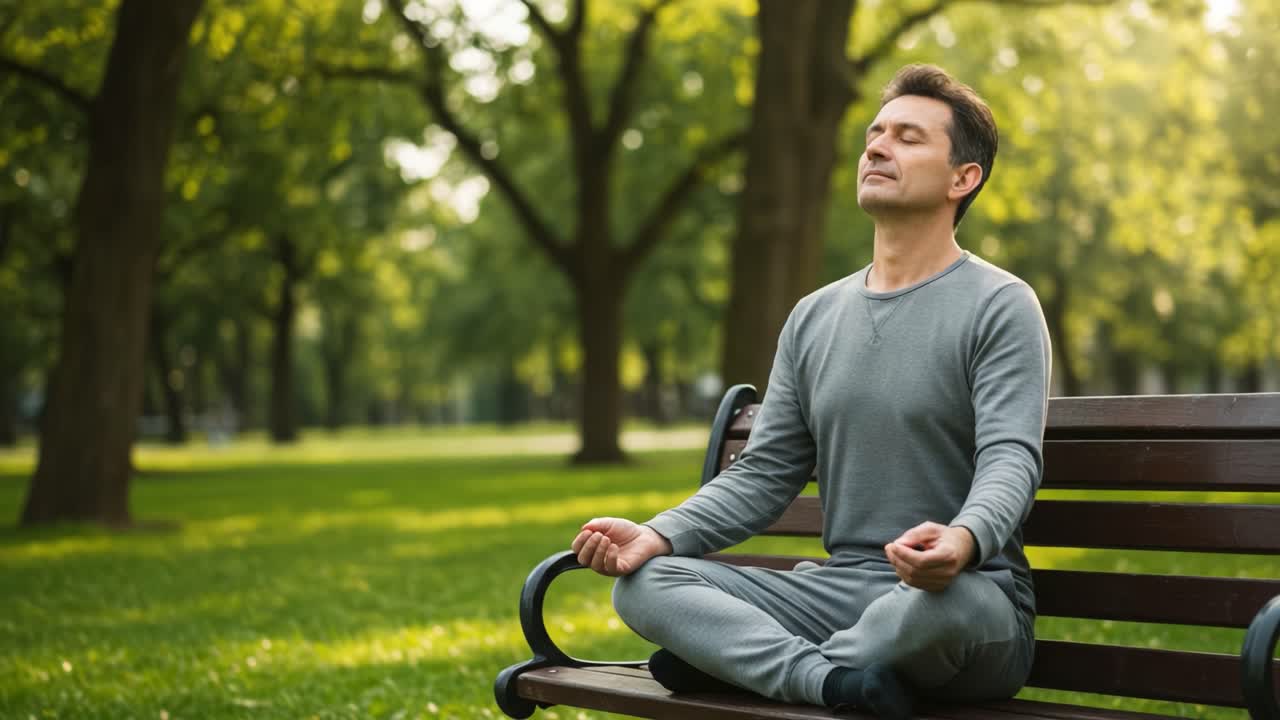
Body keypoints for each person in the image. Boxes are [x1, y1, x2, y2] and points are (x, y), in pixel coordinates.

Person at [570, 64, 1052, 720]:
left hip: (964, 598)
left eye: (908, 138)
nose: (877, 147)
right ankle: (828, 682)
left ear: (963, 178)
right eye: (874, 134)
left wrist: (964, 541)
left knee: (912, 620)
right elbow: (764, 474)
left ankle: (745, 663)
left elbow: (1010, 460)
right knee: (644, 587)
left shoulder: (1000, 305)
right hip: (836, 593)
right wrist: (657, 534)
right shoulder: (814, 316)